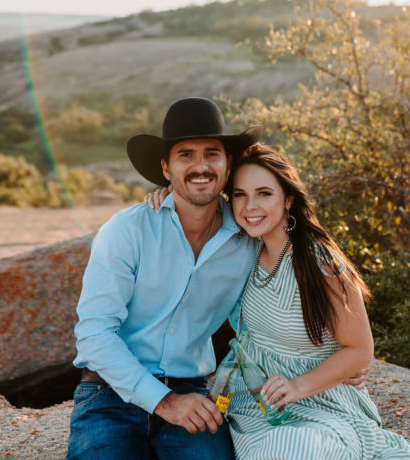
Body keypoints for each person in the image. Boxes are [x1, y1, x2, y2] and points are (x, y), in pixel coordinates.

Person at [65, 97, 262, 459]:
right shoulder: (128, 230)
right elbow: (94, 335)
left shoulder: (248, 242)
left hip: (193, 392)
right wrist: (165, 402)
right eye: (185, 155)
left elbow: (259, 327)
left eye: (211, 154)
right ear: (166, 168)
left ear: (228, 164)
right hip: (109, 393)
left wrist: (334, 363)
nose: (200, 166)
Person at [220, 143, 410, 459]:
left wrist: (297, 387)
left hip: (321, 403)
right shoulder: (244, 251)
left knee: (292, 448)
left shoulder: (320, 263)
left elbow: (360, 349)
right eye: (240, 194)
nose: (250, 205)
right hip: (253, 402)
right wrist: (163, 196)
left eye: (264, 193)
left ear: (288, 199)